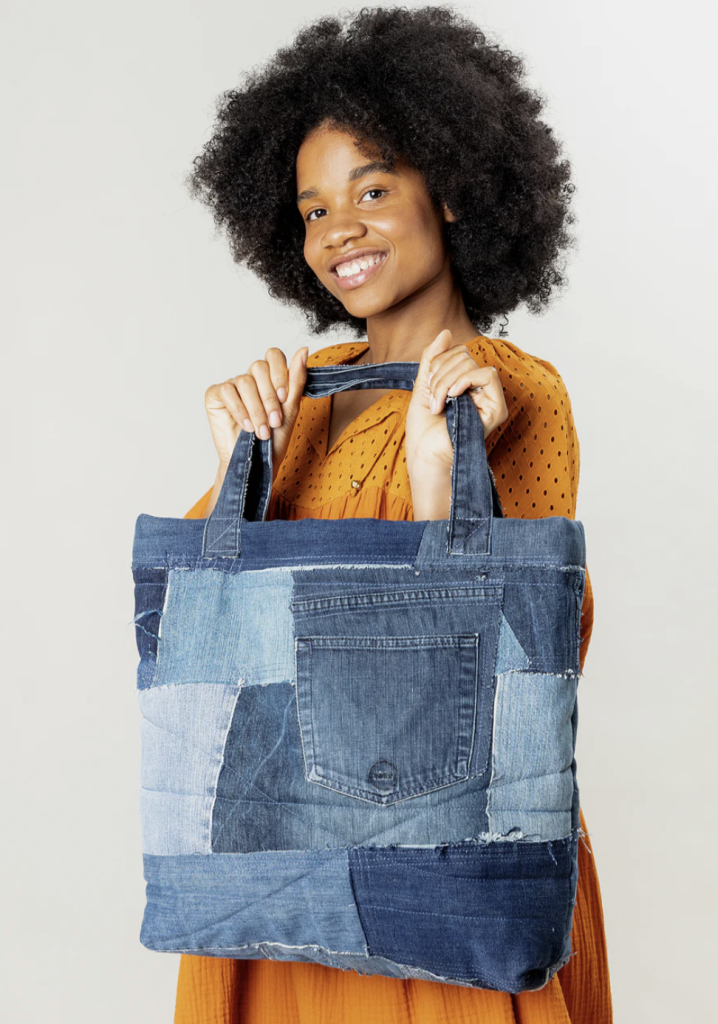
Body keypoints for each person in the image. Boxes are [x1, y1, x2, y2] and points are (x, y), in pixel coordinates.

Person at [174, 7, 613, 1022]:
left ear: (451, 190)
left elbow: (520, 662)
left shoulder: (514, 390)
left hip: (442, 870)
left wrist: (431, 468)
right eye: (314, 209)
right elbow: (194, 654)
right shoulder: (298, 392)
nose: (341, 231)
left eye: (373, 188)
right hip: (273, 861)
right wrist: (243, 461)